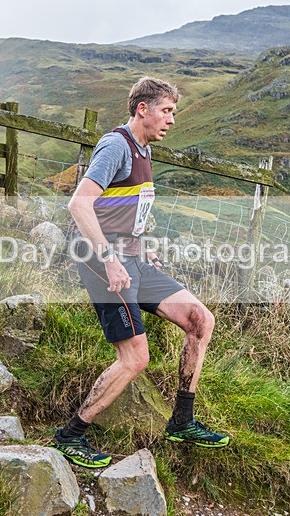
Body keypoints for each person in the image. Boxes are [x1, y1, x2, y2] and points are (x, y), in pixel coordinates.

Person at [50, 76, 229, 469]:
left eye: (174, 113)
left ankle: (182, 421)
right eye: (166, 111)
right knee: (135, 359)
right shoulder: (117, 146)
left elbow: (123, 209)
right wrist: (110, 258)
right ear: (142, 109)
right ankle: (70, 436)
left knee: (200, 320)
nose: (172, 120)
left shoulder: (145, 150)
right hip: (102, 263)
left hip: (135, 258)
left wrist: (142, 248)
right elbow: (80, 204)